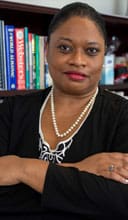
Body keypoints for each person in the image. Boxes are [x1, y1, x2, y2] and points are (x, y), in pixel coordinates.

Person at [0, 2, 128, 219]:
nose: (78, 60)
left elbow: (120, 201)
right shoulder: (12, 111)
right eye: (65, 48)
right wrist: (80, 171)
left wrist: (20, 168)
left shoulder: (122, 116)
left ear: (103, 56)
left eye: (91, 51)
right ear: (46, 49)